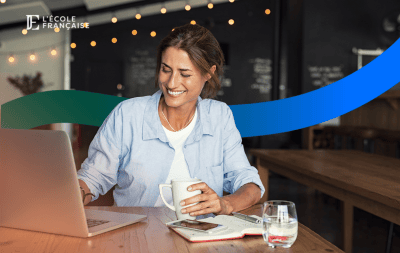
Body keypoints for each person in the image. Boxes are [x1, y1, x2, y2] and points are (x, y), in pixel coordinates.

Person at [77, 23, 265, 217]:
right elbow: (93, 176)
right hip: (137, 238)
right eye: (166, 69)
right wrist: (71, 195)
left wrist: (225, 204)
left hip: (202, 240)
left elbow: (250, 185)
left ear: (208, 73)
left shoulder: (219, 116)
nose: (172, 83)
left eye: (185, 74)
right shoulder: (128, 114)